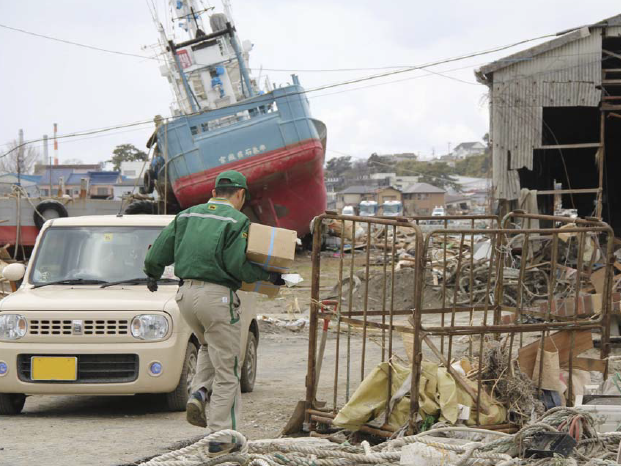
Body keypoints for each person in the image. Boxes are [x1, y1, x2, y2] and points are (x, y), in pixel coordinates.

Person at [143, 170, 283, 456]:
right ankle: (221, 438)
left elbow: (158, 253)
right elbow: (236, 266)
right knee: (229, 369)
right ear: (240, 194)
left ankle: (199, 391)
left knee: (209, 346)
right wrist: (269, 276)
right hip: (217, 299)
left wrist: (152, 274)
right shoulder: (237, 220)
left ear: (215, 190)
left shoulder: (187, 215)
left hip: (185, 296)